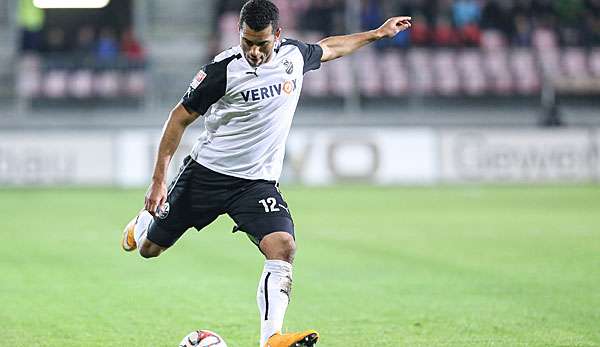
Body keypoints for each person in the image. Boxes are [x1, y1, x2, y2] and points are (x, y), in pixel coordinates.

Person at [121, 1, 411, 346]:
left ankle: (271, 337)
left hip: (256, 184)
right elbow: (178, 118)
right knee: (150, 250)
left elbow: (332, 46)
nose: (254, 52)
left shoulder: (294, 56)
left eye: (262, 43)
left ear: (278, 35)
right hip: (206, 175)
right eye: (247, 43)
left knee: (283, 246)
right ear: (238, 35)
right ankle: (142, 225)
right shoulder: (221, 72)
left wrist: (378, 33)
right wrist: (158, 182)